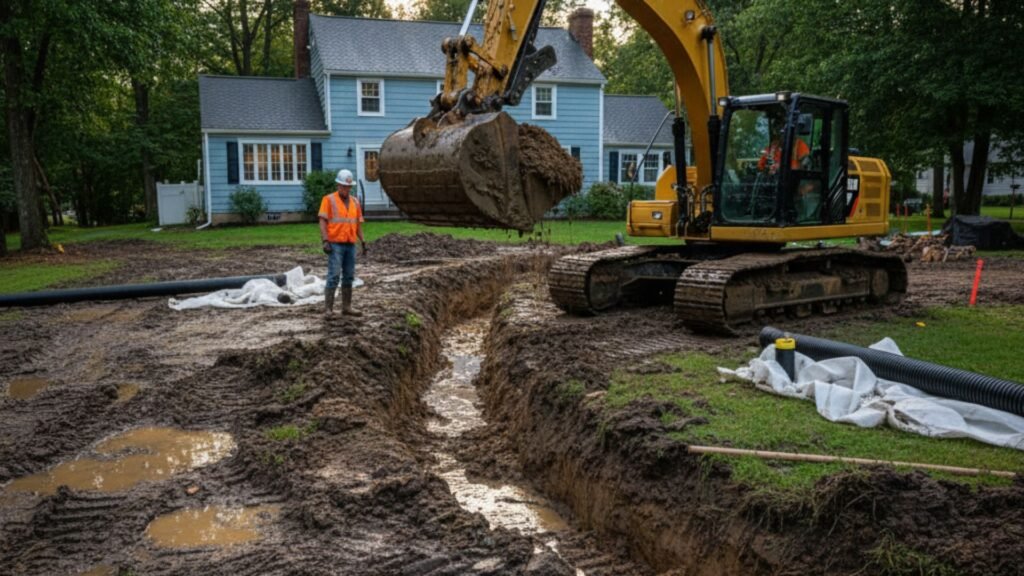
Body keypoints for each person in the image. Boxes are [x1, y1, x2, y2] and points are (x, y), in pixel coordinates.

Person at [319, 169, 366, 316]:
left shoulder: (355, 202)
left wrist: (363, 241)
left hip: (350, 244)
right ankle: (328, 309)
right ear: (338, 185)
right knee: (334, 274)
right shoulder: (329, 199)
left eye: (348, 187)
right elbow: (322, 220)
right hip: (335, 243)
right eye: (344, 186)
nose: (346, 189)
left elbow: (357, 224)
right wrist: (325, 240)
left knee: (349, 275)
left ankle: (347, 307)